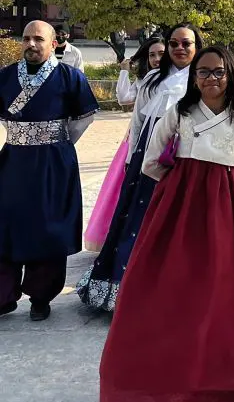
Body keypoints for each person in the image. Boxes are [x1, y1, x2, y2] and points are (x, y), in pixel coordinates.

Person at [99, 46, 234, 402]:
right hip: (181, 210)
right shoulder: (179, 112)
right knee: (178, 287)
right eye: (203, 72)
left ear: (231, 74)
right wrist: (181, 184)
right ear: (194, 77)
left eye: (218, 72)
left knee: (230, 287)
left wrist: (233, 181)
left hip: (232, 210)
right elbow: (151, 162)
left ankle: (229, 382)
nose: (210, 79)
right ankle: (172, 383)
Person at [77, 24, 202, 311]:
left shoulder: (201, 79)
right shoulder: (154, 80)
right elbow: (137, 122)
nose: (180, 49)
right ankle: (122, 289)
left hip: (185, 155)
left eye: (186, 43)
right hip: (148, 154)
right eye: (174, 44)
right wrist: (133, 157)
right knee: (136, 217)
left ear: (197, 46)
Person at [0, 20, 98, 321]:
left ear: (53, 43)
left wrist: (55, 140)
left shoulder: (70, 77)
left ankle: (41, 296)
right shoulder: (4, 77)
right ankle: (4, 295)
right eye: (26, 38)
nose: (31, 44)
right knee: (6, 224)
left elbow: (82, 119)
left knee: (49, 225)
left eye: (38, 39)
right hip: (13, 161)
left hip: (54, 162)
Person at [84, 38, 165, 252]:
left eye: (161, 54)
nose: (157, 59)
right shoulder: (145, 80)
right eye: (152, 55)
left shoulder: (178, 80)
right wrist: (123, 71)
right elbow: (123, 99)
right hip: (137, 141)